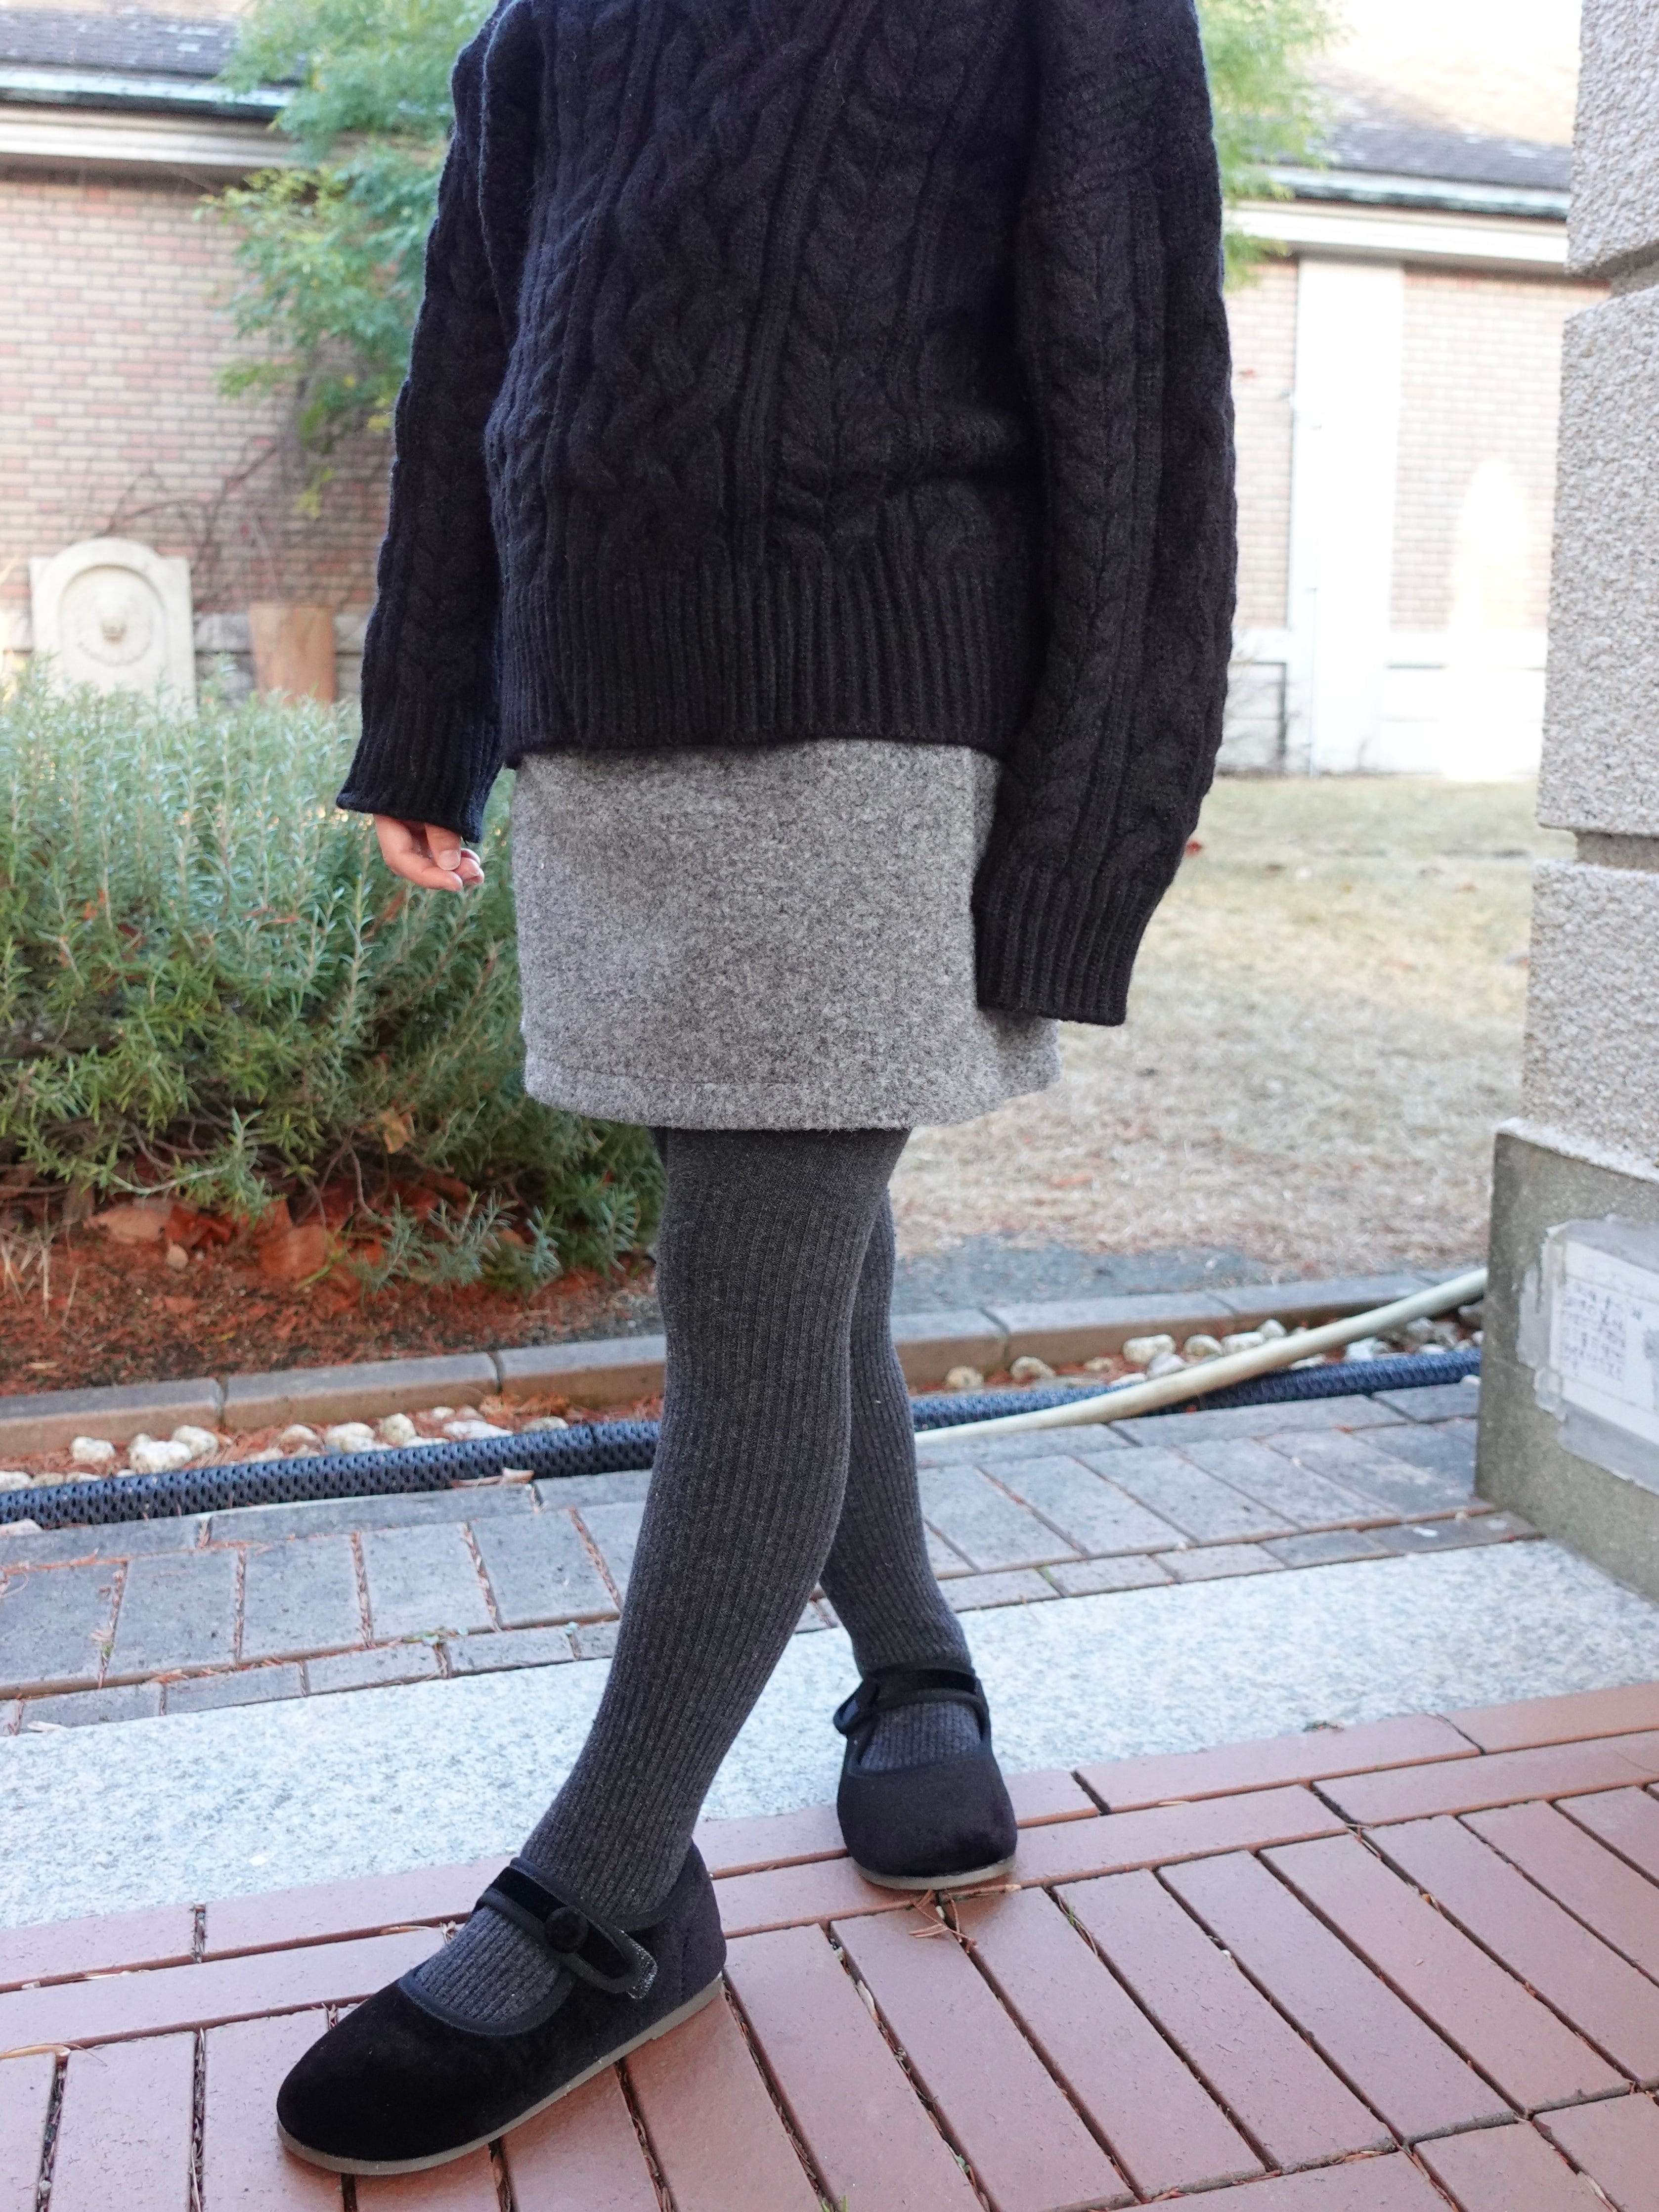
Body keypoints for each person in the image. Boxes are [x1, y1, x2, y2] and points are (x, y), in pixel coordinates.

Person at [276, 0, 1235, 2174]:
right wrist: (427, 703)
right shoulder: (546, 15)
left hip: (877, 704)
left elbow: (1135, 372)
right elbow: (472, 345)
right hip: (603, 713)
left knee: (750, 1271)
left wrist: (1123, 758)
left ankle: (608, 1898)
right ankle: (913, 1665)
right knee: (796, 1246)